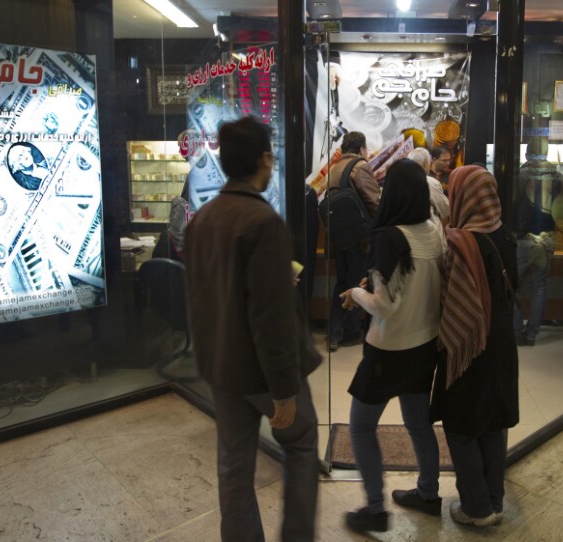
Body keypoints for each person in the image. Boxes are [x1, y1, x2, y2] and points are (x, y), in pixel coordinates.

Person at [184, 116, 322, 542]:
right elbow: (271, 318)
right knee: (301, 443)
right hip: (262, 371)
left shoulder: (202, 219)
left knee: (233, 464)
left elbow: (205, 297)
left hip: (222, 366)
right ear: (264, 158)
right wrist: (284, 388)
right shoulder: (263, 222)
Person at [339, 158, 445, 533]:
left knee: (361, 427)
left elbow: (384, 306)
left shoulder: (387, 238)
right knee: (418, 425)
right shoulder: (434, 231)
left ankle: (374, 509)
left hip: (387, 350)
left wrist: (355, 293)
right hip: (425, 345)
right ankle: (428, 494)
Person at [432, 165, 519, 528]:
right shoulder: (505, 235)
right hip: (502, 341)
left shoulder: (461, 242)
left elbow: (448, 301)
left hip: (470, 347)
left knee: (461, 426)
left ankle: (477, 509)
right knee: (492, 422)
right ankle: (494, 502)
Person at [326, 131, 381, 351]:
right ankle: (351, 333)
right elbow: (374, 202)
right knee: (357, 282)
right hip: (359, 238)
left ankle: (335, 333)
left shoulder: (334, 168)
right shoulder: (360, 167)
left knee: (342, 282)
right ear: (361, 149)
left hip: (339, 237)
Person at [513, 139, 563, 346]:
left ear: (527, 154)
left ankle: (517, 331)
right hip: (546, 239)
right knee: (539, 286)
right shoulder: (558, 177)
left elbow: (512, 204)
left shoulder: (518, 175)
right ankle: (532, 334)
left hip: (521, 237)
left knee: (514, 285)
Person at [406, 147, 450, 225]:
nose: (448, 163)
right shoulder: (431, 182)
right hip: (427, 227)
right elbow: (445, 211)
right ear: (425, 164)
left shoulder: (400, 181)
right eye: (444, 160)